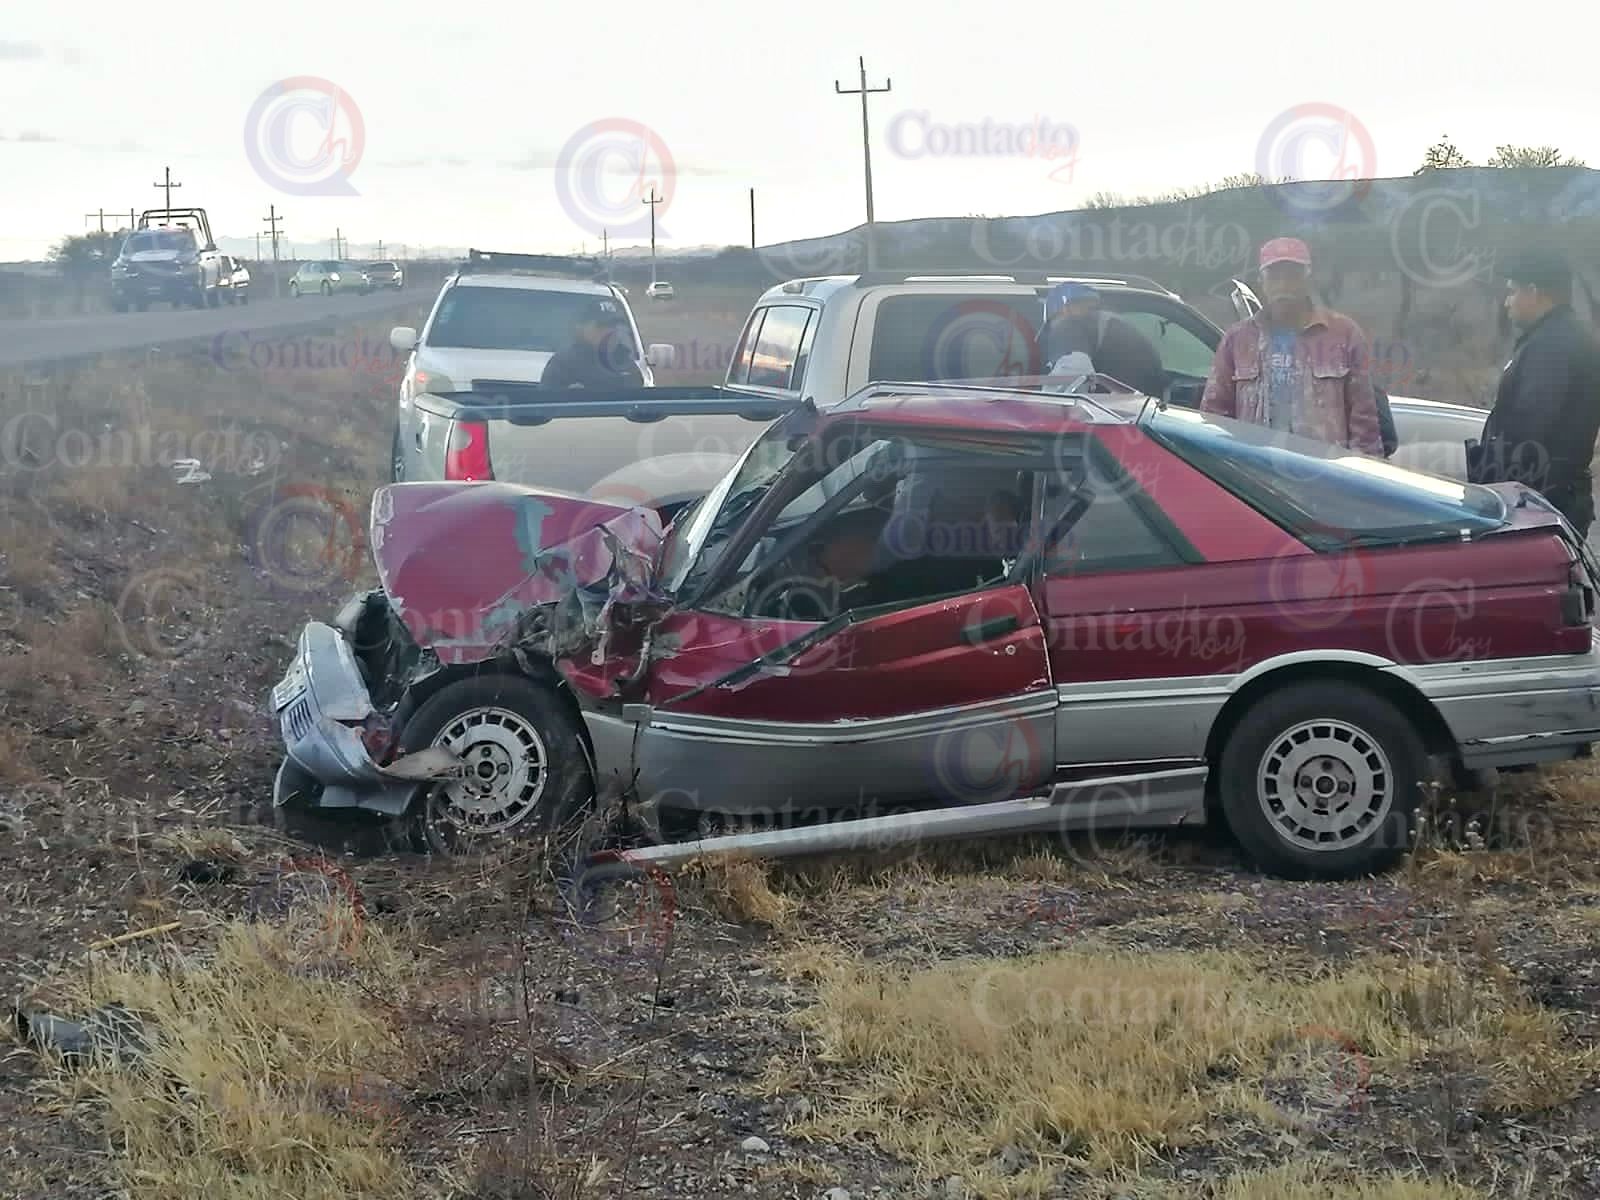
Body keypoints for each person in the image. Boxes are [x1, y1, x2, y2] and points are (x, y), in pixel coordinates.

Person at [1201, 237, 1383, 456]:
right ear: (1261, 282)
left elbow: (1365, 425)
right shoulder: (1237, 340)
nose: (1284, 284)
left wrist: (1362, 480)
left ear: (1307, 280)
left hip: (1323, 477)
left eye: (1293, 275)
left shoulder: (1343, 334)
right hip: (1252, 478)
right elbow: (1214, 418)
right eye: (1275, 275)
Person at [1467, 247, 1600, 538]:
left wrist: (1501, 490)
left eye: (1512, 292)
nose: (1507, 302)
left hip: (1538, 502)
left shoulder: (1554, 345)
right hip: (1544, 496)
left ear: (1534, 290)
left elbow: (1529, 428)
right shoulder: (1554, 337)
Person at [1040, 283, 1166, 399]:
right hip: (1146, 405)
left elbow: (1071, 375)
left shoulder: (1068, 327)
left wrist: (1041, 410)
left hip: (1123, 410)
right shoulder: (1109, 324)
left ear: (1064, 309)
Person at [540, 298, 645, 390]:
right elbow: (547, 407)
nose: (610, 331)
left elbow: (639, 407)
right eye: (602, 325)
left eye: (615, 326)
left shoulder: (627, 366)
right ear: (581, 328)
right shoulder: (563, 365)